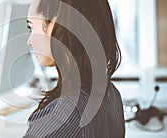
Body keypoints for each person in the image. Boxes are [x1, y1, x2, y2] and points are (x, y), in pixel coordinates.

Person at [23, 0, 125, 137]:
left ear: (55, 24)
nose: (29, 41)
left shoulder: (61, 118)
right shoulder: (111, 94)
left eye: (32, 28)